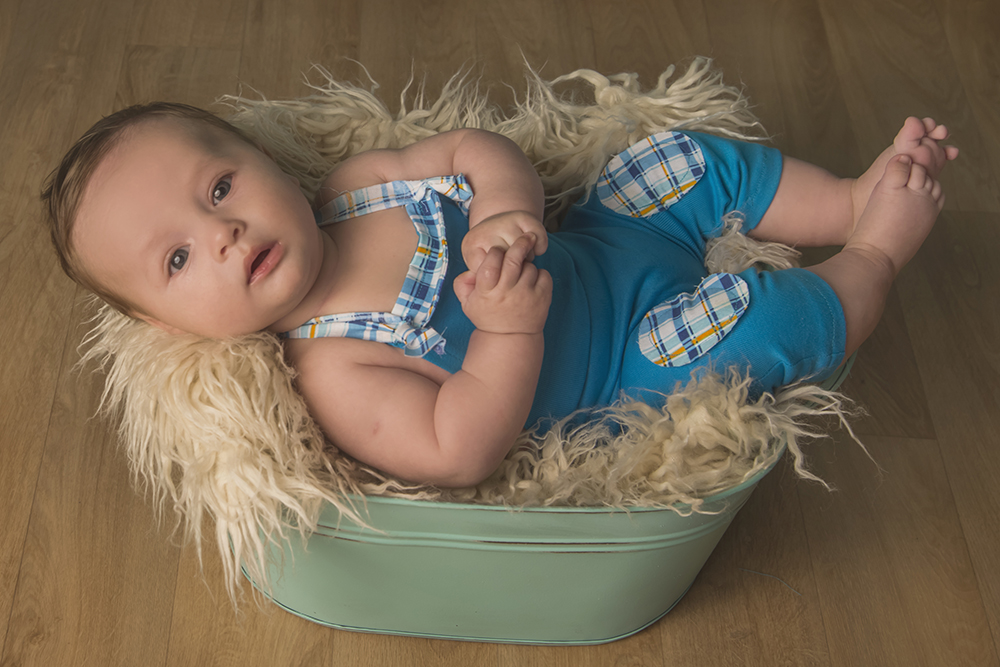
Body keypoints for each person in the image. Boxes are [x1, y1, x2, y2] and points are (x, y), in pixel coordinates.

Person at [42, 104, 957, 488]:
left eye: (219, 188)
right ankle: (871, 255)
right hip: (626, 359)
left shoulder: (360, 186)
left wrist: (509, 206)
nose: (224, 235)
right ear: (171, 326)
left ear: (262, 160)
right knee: (755, 323)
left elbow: (471, 147)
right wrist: (508, 333)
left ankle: (842, 197)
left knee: (675, 160)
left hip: (606, 241)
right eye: (176, 261)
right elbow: (458, 448)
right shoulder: (333, 364)